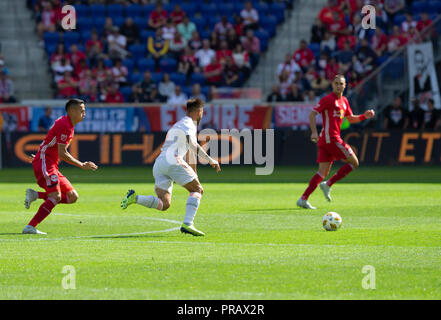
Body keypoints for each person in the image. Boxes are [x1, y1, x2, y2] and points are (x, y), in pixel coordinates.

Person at [120, 98, 221, 236]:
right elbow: (192, 144)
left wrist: (194, 174)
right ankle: (188, 224)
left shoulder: (179, 124)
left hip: (160, 163)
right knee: (198, 190)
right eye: (202, 112)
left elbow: (189, 153)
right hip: (172, 160)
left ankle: (135, 198)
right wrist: (209, 159)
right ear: (199, 111)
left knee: (164, 204)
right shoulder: (189, 123)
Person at [297, 74, 375, 209]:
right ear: (332, 85)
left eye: (341, 83)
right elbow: (312, 114)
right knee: (354, 162)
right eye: (336, 83)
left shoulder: (344, 101)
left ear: (345, 86)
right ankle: (328, 184)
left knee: (322, 172)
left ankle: (303, 199)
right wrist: (314, 131)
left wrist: (364, 116)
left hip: (327, 140)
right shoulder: (327, 99)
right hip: (331, 138)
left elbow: (350, 119)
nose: (339, 86)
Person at [23, 99, 98, 234]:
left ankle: (36, 195)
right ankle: (30, 227)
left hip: (48, 162)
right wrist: (82, 165)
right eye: (82, 111)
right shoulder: (65, 125)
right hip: (46, 162)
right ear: (72, 111)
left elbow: (49, 140)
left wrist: (40, 155)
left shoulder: (66, 123)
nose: (84, 113)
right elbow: (62, 153)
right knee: (55, 196)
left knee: (72, 196)